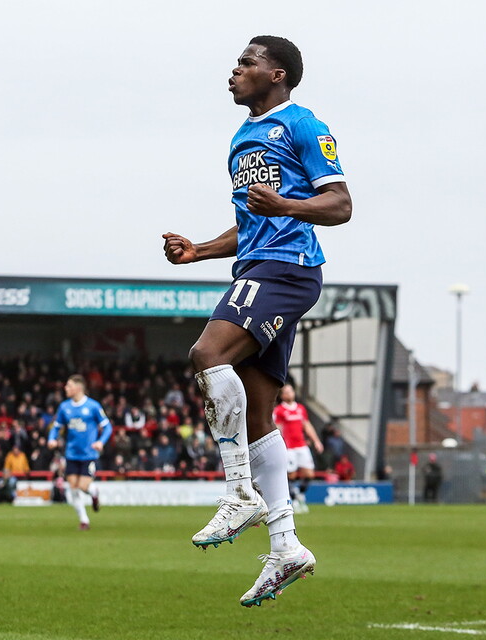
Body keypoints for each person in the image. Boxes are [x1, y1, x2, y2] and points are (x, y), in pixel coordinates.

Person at [162, 35, 351, 607]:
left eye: (246, 63)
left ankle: (240, 491)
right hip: (258, 263)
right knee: (261, 414)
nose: (234, 72)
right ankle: (286, 545)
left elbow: (340, 204)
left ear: (278, 75)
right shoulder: (241, 138)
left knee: (206, 354)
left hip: (287, 269)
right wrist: (199, 250)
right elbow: (250, 224)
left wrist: (288, 206)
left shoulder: (303, 124)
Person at [48, 374, 113, 530]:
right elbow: (56, 426)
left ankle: (94, 492)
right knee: (73, 487)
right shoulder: (64, 407)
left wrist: (100, 442)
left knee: (83, 486)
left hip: (88, 454)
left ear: (78, 388)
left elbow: (108, 427)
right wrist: (52, 438)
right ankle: (84, 520)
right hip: (71, 454)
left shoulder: (93, 406)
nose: (66, 388)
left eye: (69, 386)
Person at [272, 383, 323, 513]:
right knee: (291, 475)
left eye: (291, 391)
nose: (289, 394)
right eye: (287, 392)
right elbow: (277, 428)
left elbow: (307, 425)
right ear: (282, 396)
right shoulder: (279, 410)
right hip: (289, 448)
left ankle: (299, 494)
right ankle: (293, 499)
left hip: (302, 446)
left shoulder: (300, 408)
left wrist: (316, 441)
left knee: (309, 474)